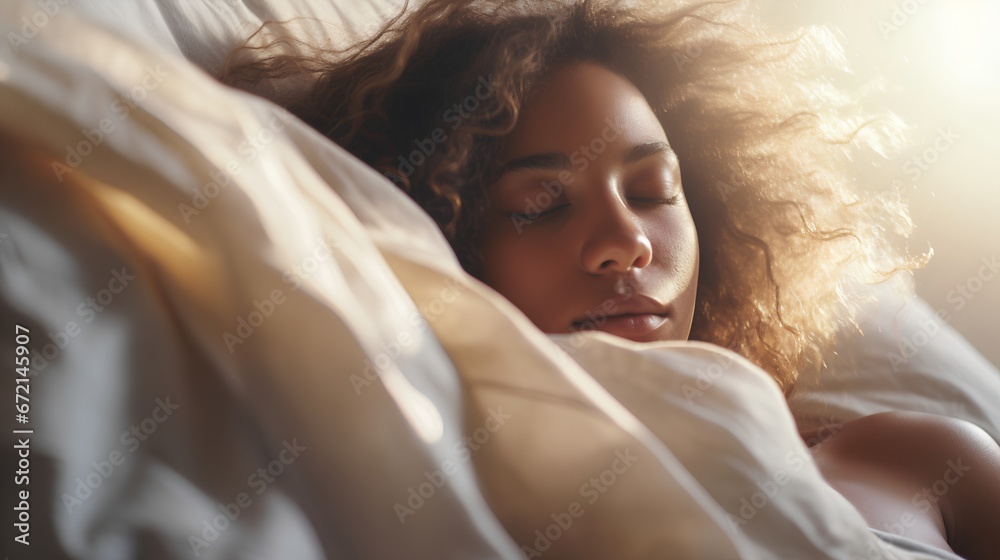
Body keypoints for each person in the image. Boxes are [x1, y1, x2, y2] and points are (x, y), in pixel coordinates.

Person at [221, 1, 1000, 557]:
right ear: (444, 239)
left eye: (655, 192)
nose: (626, 242)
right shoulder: (419, 488)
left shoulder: (920, 457)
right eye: (541, 204)